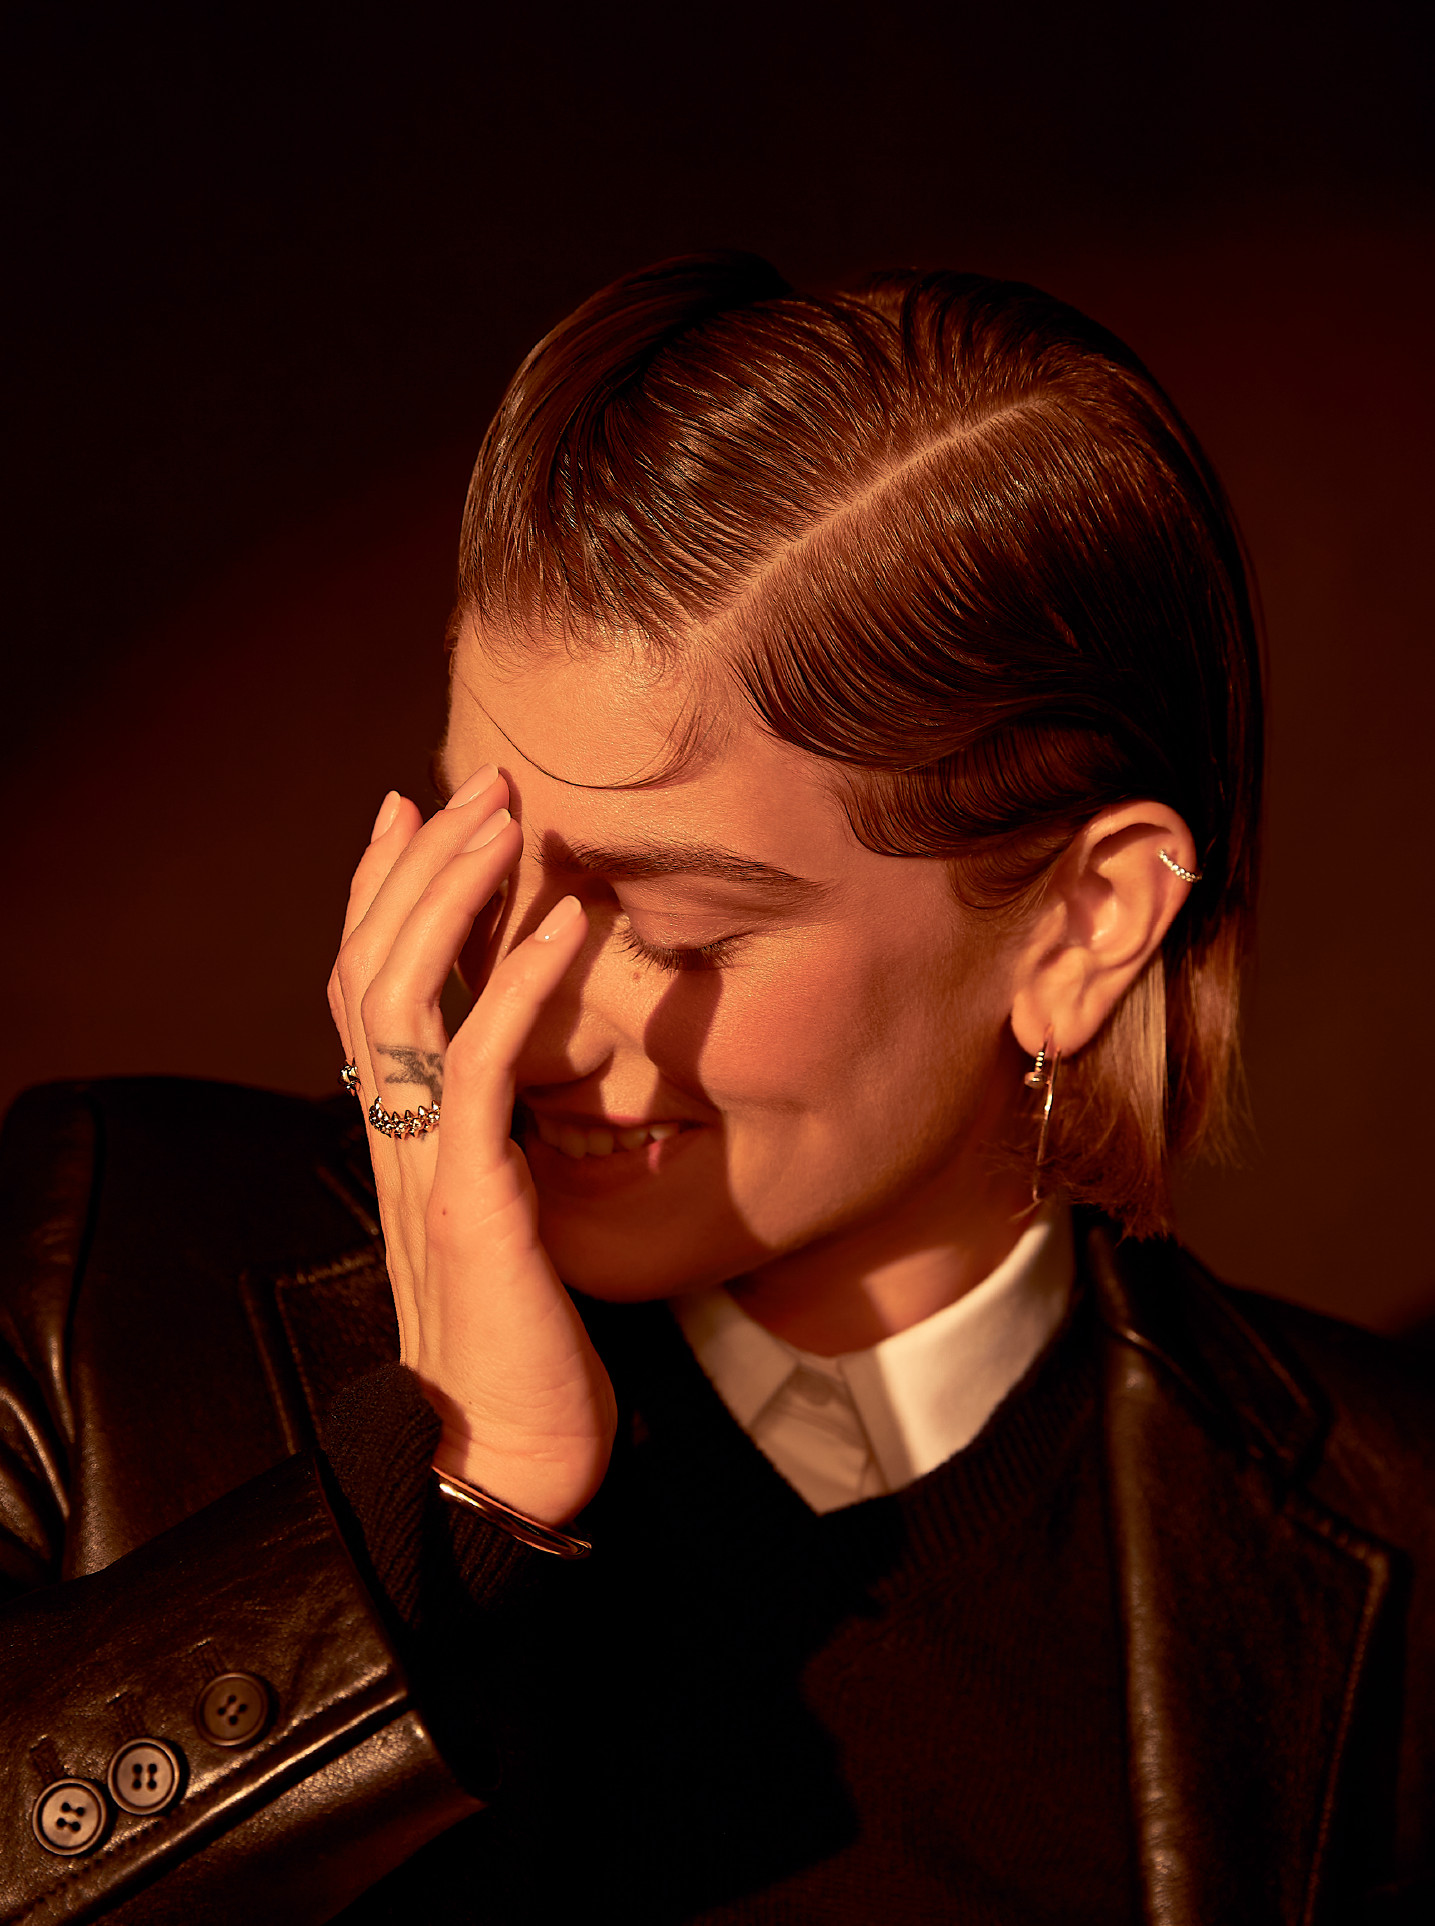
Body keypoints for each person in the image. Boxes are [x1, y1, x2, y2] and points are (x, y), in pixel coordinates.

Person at [1, 253, 1431, 1924]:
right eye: (490, 866)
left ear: (1083, 921)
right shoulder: (101, 1288)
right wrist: (441, 1506)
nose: (523, 1019)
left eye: (675, 930)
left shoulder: (1390, 1543)